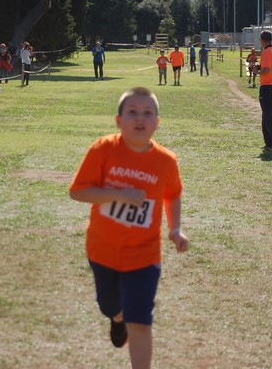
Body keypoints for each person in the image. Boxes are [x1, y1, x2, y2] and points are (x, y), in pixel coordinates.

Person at [69, 86, 189, 369]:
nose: (140, 119)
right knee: (110, 307)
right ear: (118, 120)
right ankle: (117, 317)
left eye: (148, 113)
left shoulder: (165, 161)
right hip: (102, 250)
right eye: (132, 112)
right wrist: (119, 195)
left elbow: (172, 194)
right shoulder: (103, 149)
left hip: (144, 255)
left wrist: (175, 229)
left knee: (141, 322)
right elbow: (78, 191)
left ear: (157, 123)